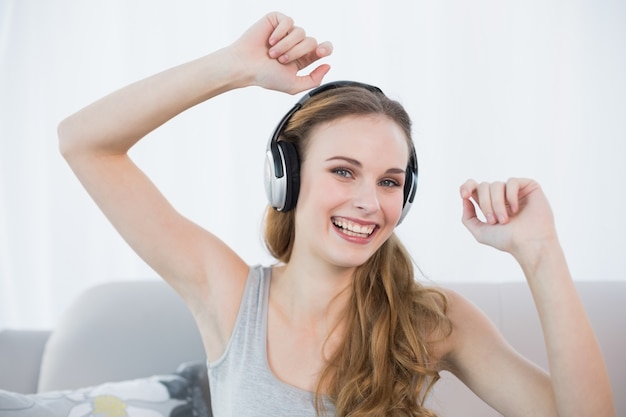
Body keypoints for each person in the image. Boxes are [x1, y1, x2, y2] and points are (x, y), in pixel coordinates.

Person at [57, 11, 615, 417]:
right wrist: (233, 67)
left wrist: (541, 252)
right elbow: (84, 142)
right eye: (344, 171)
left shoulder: (431, 321)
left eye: (389, 182)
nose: (370, 202)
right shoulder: (228, 294)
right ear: (288, 178)